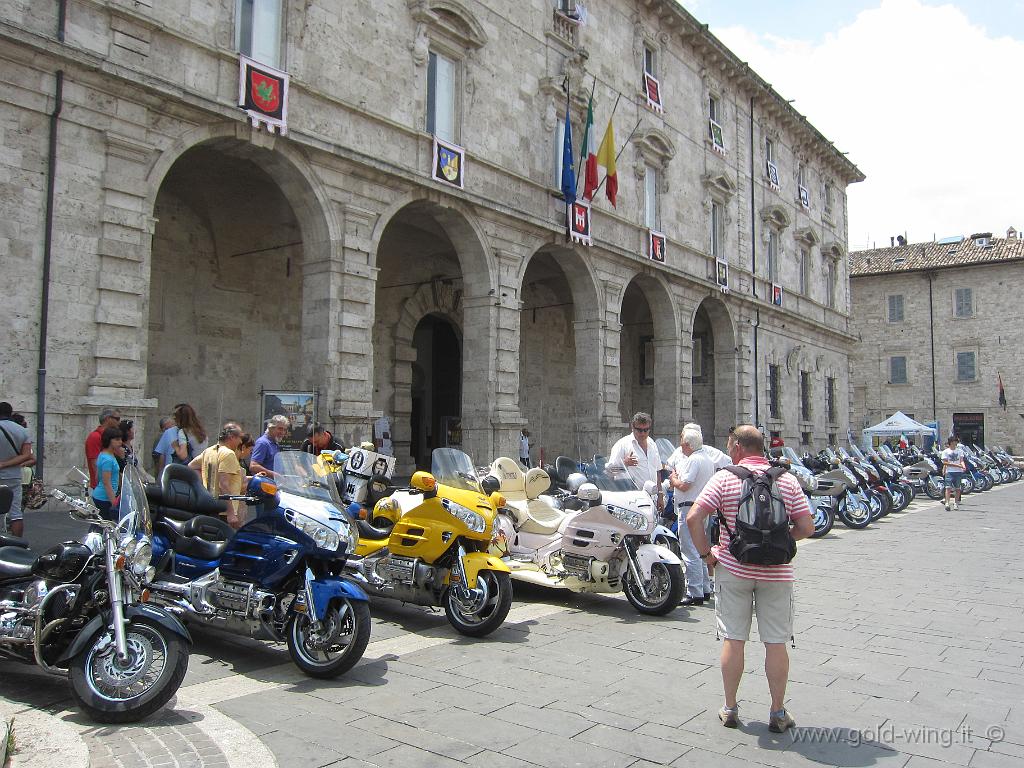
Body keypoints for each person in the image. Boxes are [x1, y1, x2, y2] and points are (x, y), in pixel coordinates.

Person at [685, 425, 814, 734]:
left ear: (738, 448)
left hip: (733, 569)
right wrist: (781, 543)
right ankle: (777, 712)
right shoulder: (787, 479)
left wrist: (708, 556)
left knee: (734, 639)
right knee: (776, 642)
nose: (729, 452)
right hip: (777, 573)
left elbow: (693, 518)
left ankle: (730, 708)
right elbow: (807, 527)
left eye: (730, 446)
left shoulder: (724, 477)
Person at [667, 428, 717, 606]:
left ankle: (694, 591)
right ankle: (703, 588)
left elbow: (684, 485)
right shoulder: (707, 459)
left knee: (689, 550)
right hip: (702, 507)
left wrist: (673, 479)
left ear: (688, 445)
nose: (681, 447)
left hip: (689, 508)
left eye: (682, 443)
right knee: (700, 549)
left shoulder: (694, 460)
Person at [190, 422, 246, 529]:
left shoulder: (209, 451)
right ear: (231, 437)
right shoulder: (228, 454)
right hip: (223, 512)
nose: (240, 441)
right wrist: (230, 513)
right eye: (239, 438)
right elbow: (224, 484)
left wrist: (202, 485)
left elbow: (191, 466)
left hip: (209, 506)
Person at [607, 412, 664, 510]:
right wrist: (624, 463)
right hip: (632, 501)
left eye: (646, 430)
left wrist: (660, 495)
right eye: (639, 430)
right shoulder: (622, 445)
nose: (643, 433)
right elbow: (609, 472)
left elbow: (657, 471)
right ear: (632, 428)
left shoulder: (652, 444)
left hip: (652, 500)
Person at [0, 402, 34, 537]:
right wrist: (5, 464)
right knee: (15, 513)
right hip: (13, 475)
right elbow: (27, 455)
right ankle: (17, 546)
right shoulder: (22, 430)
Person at [92, 427, 125, 522]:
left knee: (100, 522)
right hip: (105, 497)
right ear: (109, 441)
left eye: (121, 439)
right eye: (117, 440)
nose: (120, 442)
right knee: (106, 523)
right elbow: (106, 482)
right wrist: (113, 501)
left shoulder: (104, 454)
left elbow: (98, 476)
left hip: (101, 494)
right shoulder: (108, 459)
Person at [85, 407, 121, 490]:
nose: (119, 422)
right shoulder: (95, 437)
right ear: (108, 419)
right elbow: (95, 464)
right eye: (117, 419)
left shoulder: (110, 437)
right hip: (103, 487)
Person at [941, 435, 966, 511]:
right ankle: (947, 503)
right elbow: (945, 462)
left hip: (958, 471)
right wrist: (956, 465)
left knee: (958, 488)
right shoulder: (945, 451)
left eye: (956, 441)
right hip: (950, 471)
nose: (956, 443)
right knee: (948, 488)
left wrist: (963, 466)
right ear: (951, 442)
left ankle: (956, 503)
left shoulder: (960, 451)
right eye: (955, 441)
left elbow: (961, 460)